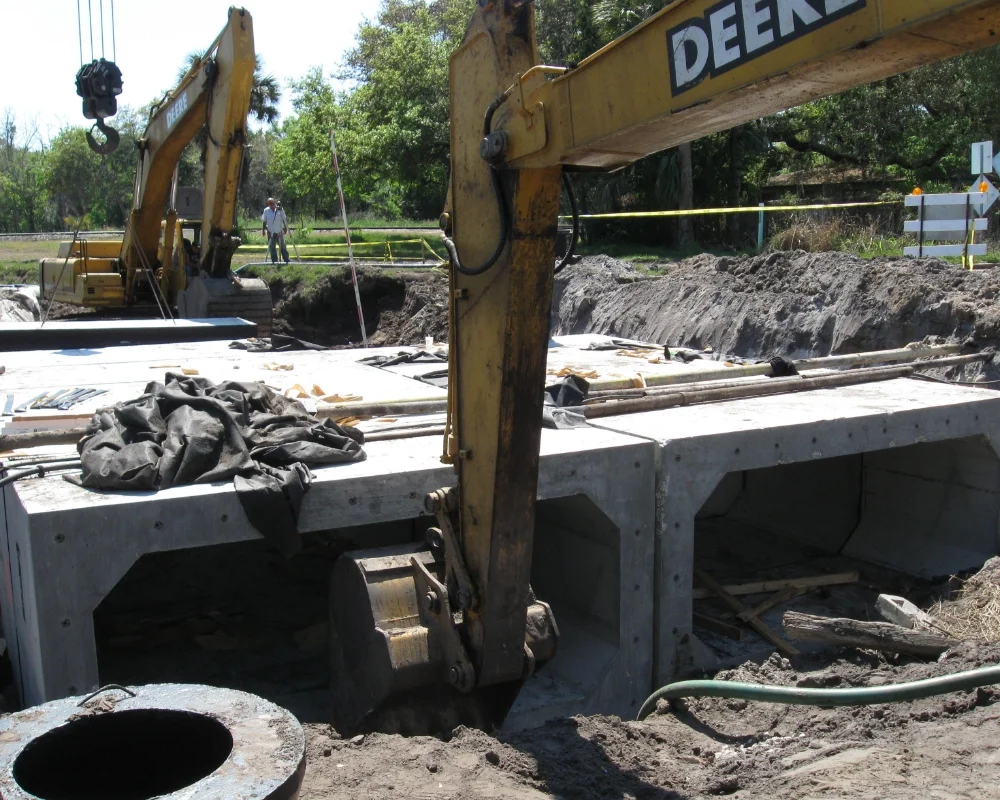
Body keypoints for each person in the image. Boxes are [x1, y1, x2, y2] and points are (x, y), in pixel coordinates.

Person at [261, 197, 290, 264]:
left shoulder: (280, 209)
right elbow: (264, 221)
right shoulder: (266, 210)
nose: (271, 205)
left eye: (272, 203)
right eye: (269, 204)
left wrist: (285, 228)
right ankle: (274, 261)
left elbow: (284, 219)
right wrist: (263, 230)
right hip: (270, 232)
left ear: (275, 202)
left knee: (283, 246)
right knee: (272, 247)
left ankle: (286, 260)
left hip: (279, 231)